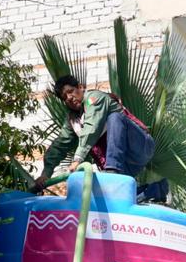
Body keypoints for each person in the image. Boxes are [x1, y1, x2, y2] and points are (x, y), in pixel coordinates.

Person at [33, 75, 167, 202]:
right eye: (64, 97)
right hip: (124, 164)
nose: (69, 97)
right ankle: (156, 190)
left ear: (80, 87)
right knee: (116, 199)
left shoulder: (94, 98)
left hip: (140, 147)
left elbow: (91, 128)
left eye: (71, 91)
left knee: (115, 118)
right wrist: (45, 174)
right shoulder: (72, 120)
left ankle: (113, 172)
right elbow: (59, 145)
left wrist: (77, 159)